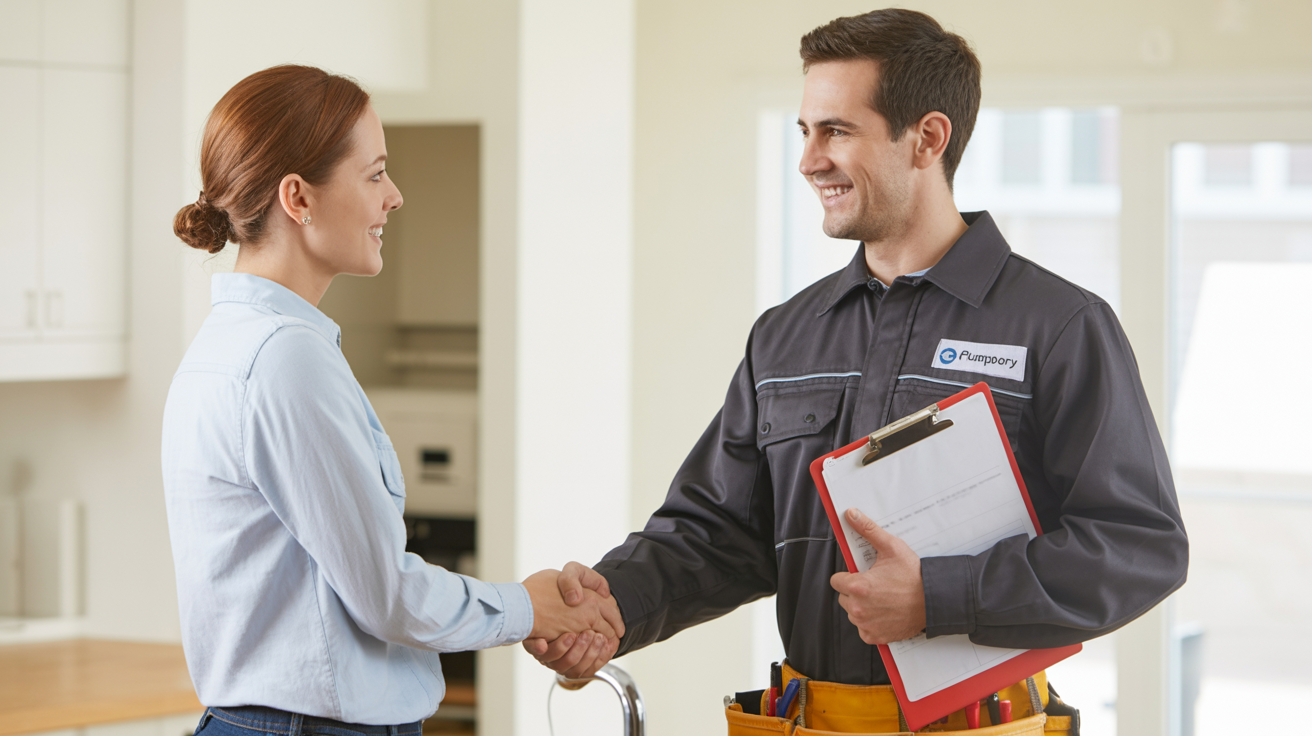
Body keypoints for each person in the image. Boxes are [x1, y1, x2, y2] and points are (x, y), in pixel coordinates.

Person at [525, 8, 1188, 731]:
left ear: (927, 138)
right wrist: (609, 606)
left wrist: (940, 595)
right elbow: (719, 532)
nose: (810, 160)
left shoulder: (1057, 326)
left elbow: (1138, 547)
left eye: (836, 131)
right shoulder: (785, 337)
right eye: (805, 131)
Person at [161, 65, 620, 735]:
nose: (395, 197)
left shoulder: (229, 345)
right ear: (298, 197)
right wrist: (529, 607)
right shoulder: (284, 358)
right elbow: (388, 595)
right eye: (375, 174)